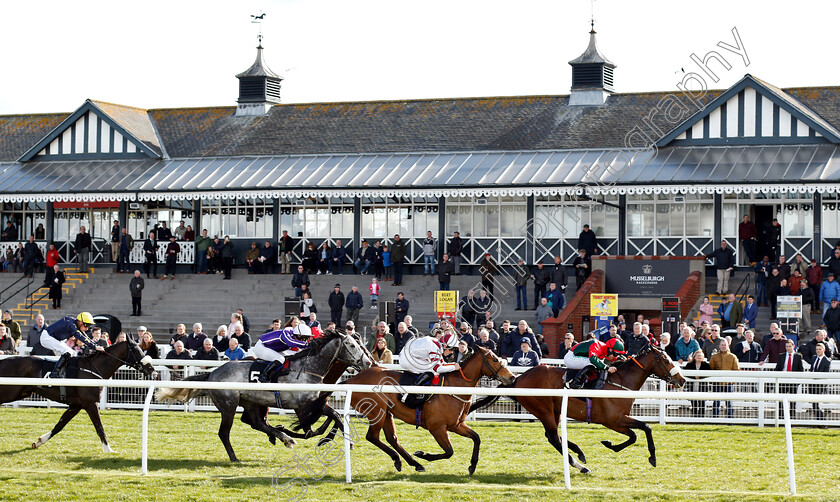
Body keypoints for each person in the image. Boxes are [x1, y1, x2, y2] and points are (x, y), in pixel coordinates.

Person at [42, 312, 102, 378]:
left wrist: (95, 345)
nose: (87, 328)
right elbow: (79, 336)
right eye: (86, 325)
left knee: (73, 353)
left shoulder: (76, 325)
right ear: (80, 322)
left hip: (54, 338)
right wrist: (94, 346)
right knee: (68, 352)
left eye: (89, 326)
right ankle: (54, 373)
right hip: (47, 337)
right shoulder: (71, 324)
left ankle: (64, 372)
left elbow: (85, 337)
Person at [709, 338, 739, 420]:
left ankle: (730, 420)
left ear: (728, 345)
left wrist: (732, 381)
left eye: (725, 345)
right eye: (722, 345)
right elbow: (711, 368)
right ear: (719, 346)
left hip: (728, 383)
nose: (723, 346)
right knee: (716, 402)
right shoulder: (714, 357)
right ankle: (715, 419)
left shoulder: (733, 357)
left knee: (729, 402)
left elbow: (736, 370)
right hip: (717, 383)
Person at [775, 338, 804, 417]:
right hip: (782, 381)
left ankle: (792, 418)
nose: (788, 348)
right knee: (781, 401)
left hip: (793, 382)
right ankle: (781, 417)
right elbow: (777, 369)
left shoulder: (798, 356)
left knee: (792, 402)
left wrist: (797, 382)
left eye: (789, 346)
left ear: (793, 346)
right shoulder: (781, 356)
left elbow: (800, 370)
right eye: (786, 346)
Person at [684, 350, 711, 417]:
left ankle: (701, 418)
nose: (699, 357)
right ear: (694, 357)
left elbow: (709, 374)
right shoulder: (690, 364)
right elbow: (685, 373)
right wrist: (694, 376)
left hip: (702, 387)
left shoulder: (706, 365)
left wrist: (700, 376)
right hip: (692, 386)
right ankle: (694, 417)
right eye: (698, 355)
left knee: (702, 403)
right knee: (694, 403)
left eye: (701, 356)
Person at [809, 342, 831, 419]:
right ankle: (819, 420)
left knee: (815, 403)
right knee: (814, 403)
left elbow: (826, 374)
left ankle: (821, 420)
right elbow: (812, 369)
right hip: (812, 383)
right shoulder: (814, 358)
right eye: (817, 349)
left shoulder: (827, 361)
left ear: (824, 350)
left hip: (820, 384)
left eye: (820, 349)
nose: (818, 351)